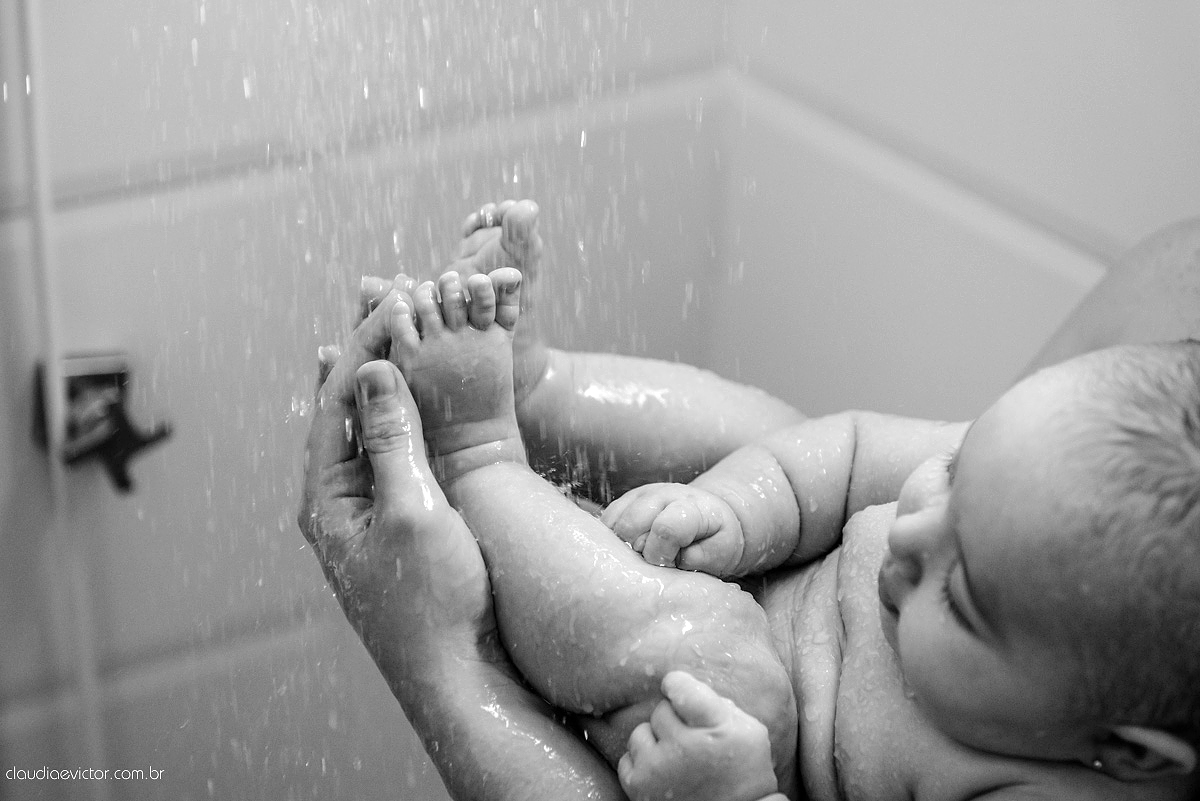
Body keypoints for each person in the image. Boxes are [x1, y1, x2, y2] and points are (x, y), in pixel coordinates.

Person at [299, 203, 1200, 800]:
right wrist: (745, 507)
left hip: (708, 708)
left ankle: (479, 452)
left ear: (1127, 750)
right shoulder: (1070, 466)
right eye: (958, 471)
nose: (912, 531)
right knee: (778, 432)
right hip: (741, 565)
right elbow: (849, 454)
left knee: (727, 660)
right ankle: (546, 386)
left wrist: (740, 793)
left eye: (961, 600)